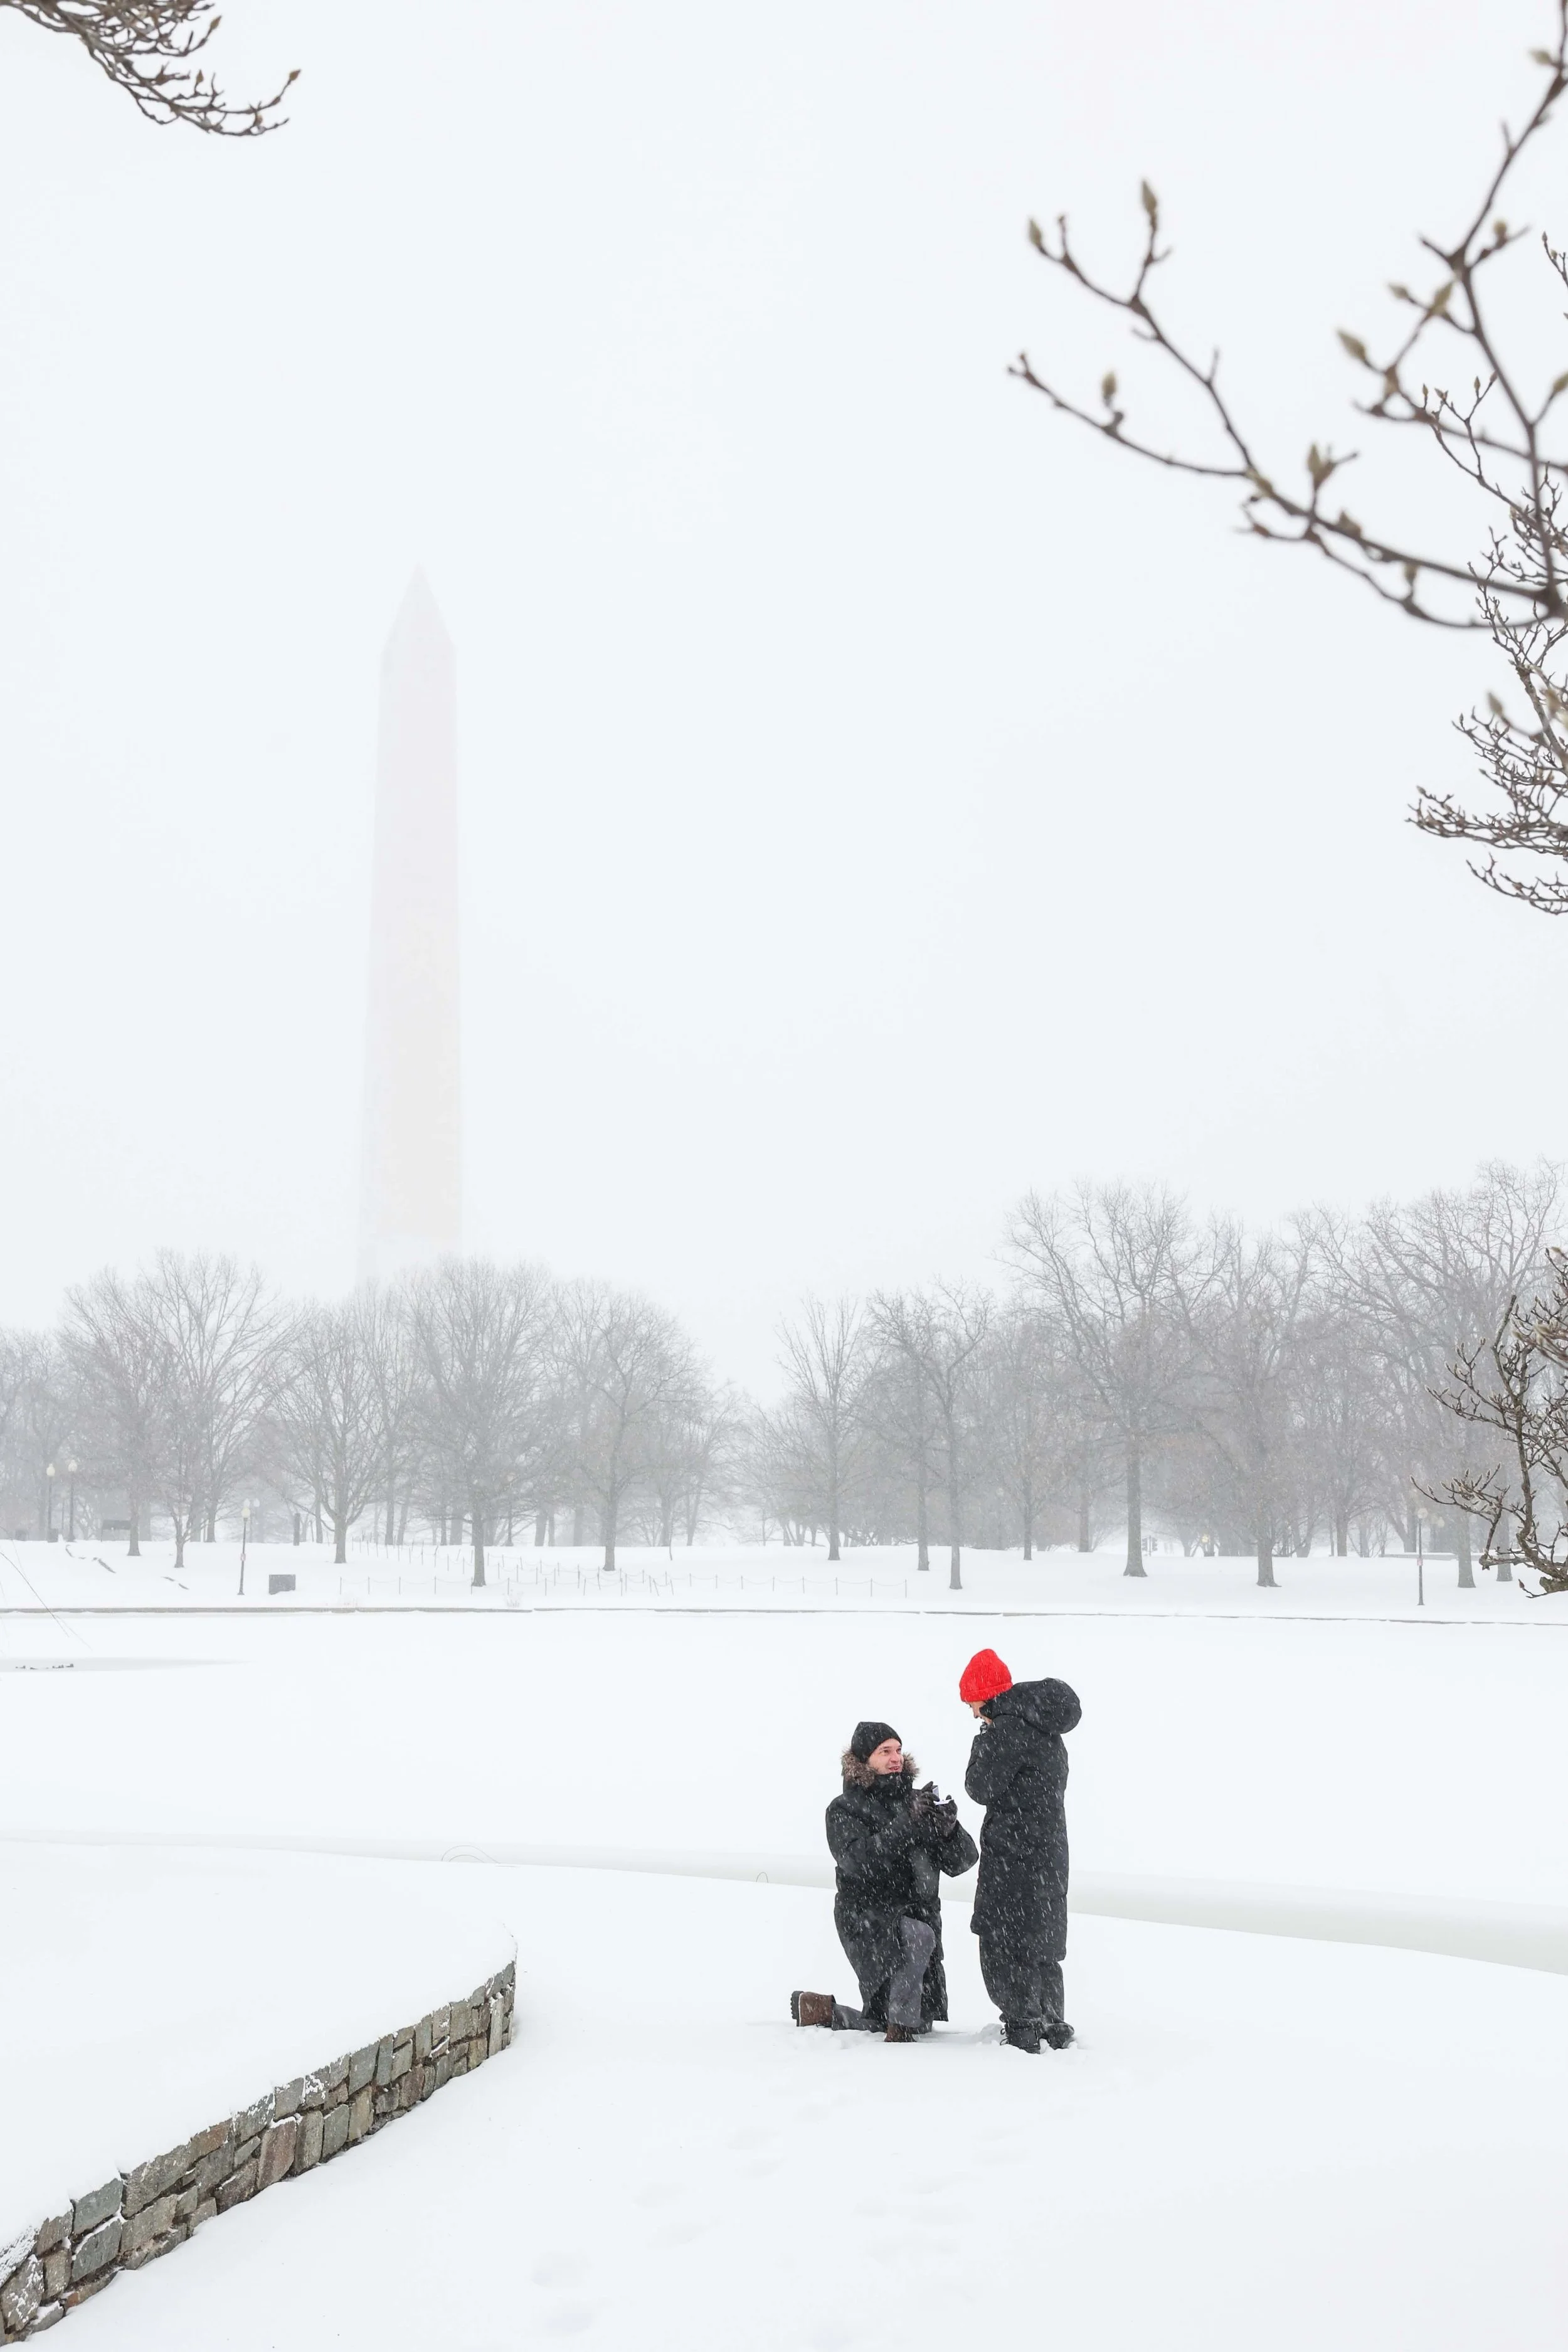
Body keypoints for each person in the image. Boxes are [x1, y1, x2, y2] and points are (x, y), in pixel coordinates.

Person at [792, 1719, 977, 2042]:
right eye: (885, 1751)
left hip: (922, 1916)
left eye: (899, 1750)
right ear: (864, 1760)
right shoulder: (844, 1809)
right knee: (903, 2010)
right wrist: (906, 1824)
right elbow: (858, 1861)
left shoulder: (918, 1801)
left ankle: (821, 2010)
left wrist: (950, 1832)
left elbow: (963, 1862)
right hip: (869, 1918)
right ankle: (898, 2038)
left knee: (913, 2020)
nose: (896, 1758)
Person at [960, 1648, 1081, 2055]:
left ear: (986, 1696)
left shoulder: (1004, 1731)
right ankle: (1053, 2022)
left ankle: (1023, 2024)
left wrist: (985, 1740)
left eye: (973, 1705)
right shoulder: (1047, 1730)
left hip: (1013, 1853)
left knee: (1000, 1937)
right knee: (1042, 1939)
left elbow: (979, 1788)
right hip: (1051, 1852)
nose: (974, 1714)